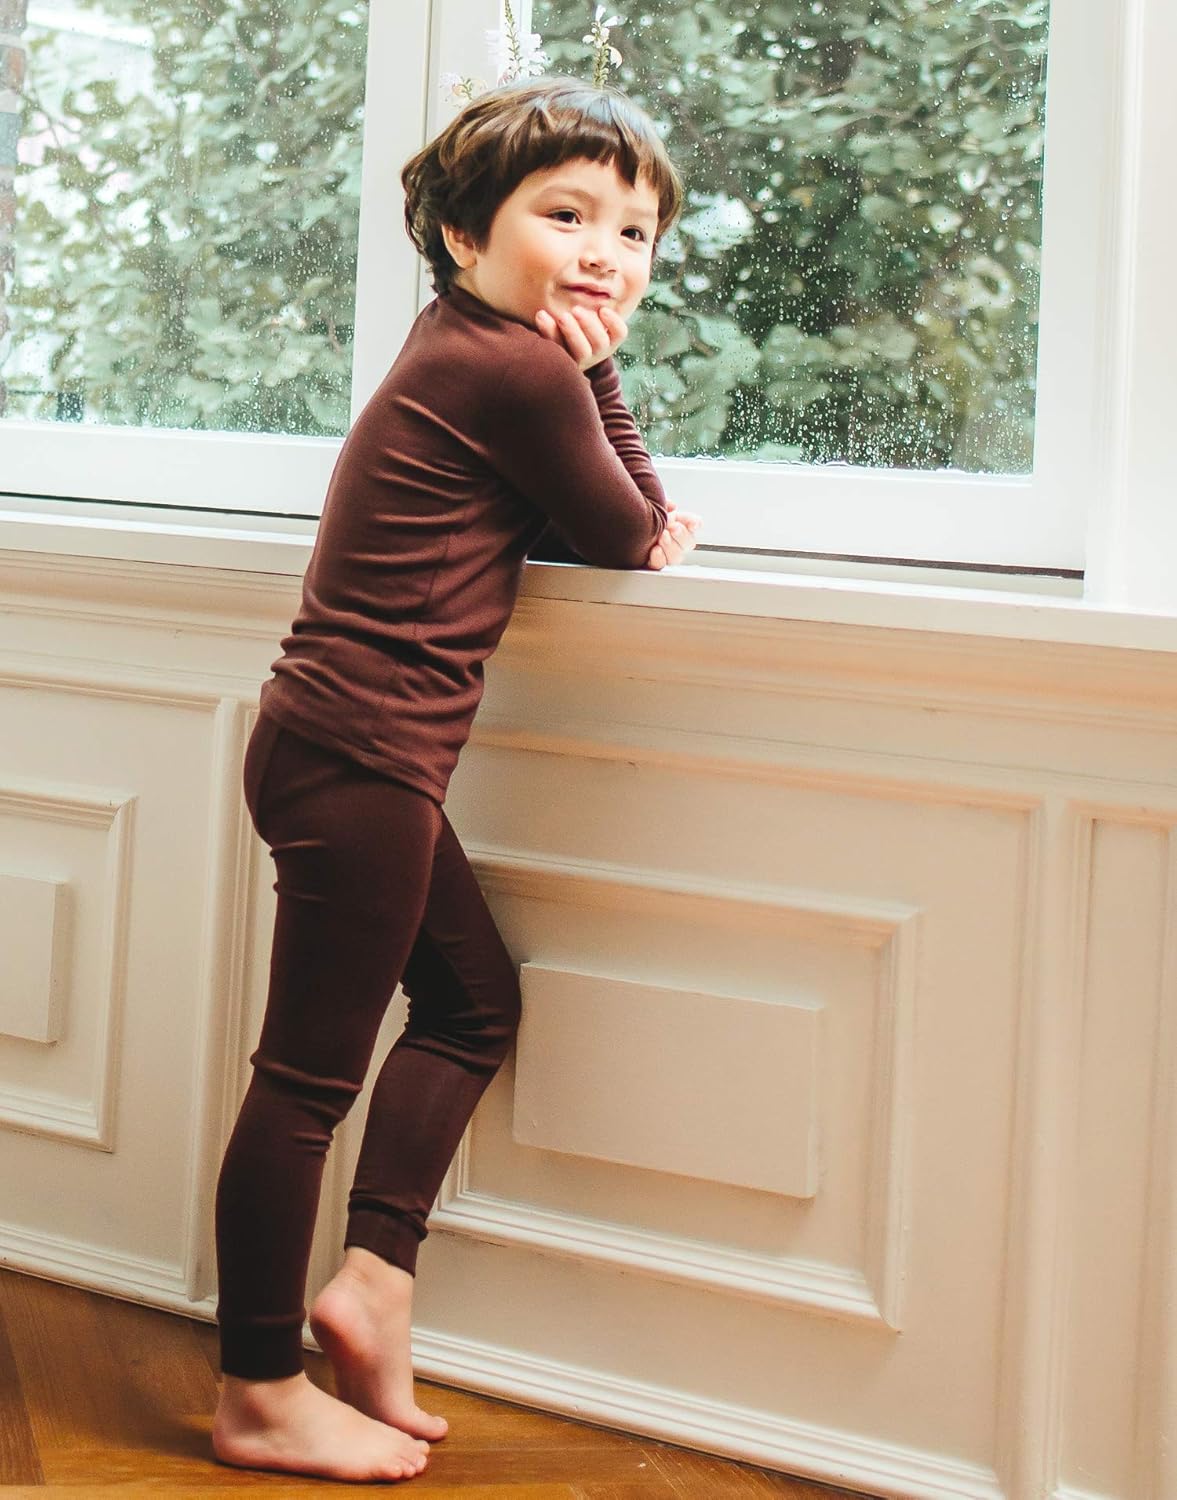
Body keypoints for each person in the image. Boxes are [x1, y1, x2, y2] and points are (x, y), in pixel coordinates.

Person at [210, 75, 701, 1483]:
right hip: (361, 759)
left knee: (475, 1002)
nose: (607, 252)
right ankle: (256, 1390)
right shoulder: (519, 370)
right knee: (303, 1086)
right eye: (567, 216)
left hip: (341, 750)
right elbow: (627, 533)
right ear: (467, 238)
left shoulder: (463, 344)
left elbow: (588, 519)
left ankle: (372, 1285)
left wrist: (590, 397)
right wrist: (600, 376)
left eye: (635, 233)